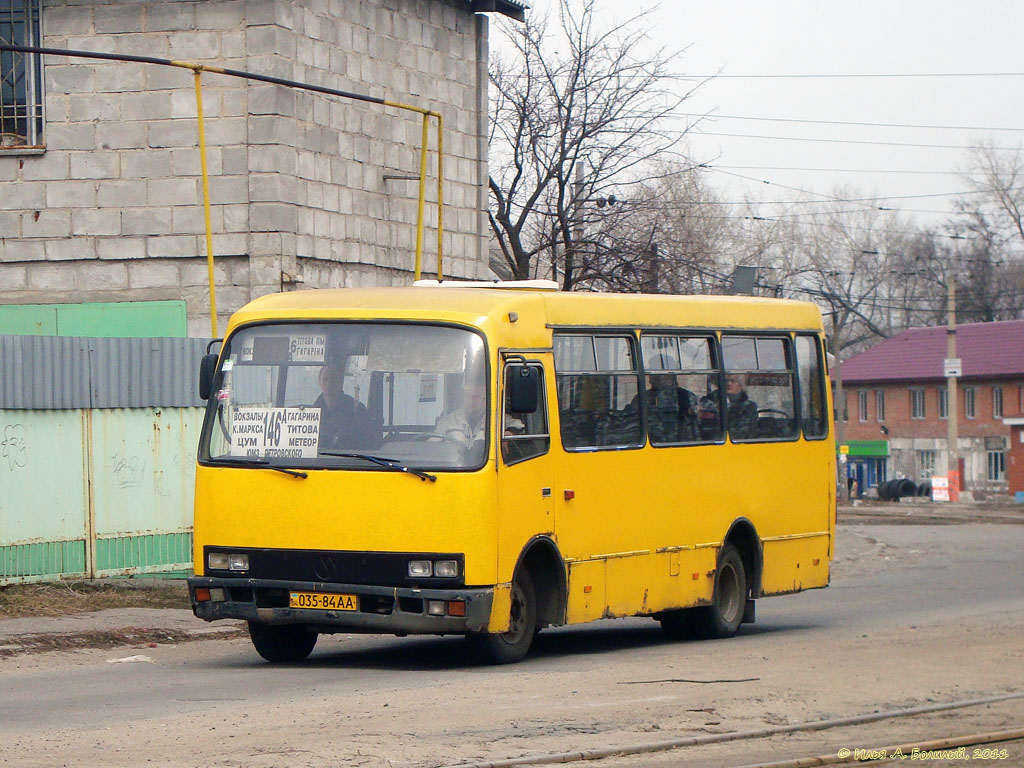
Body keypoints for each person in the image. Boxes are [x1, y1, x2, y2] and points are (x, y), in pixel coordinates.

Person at [314, 361, 380, 451]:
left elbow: (368, 445)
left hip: (350, 462)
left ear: (341, 382)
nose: (329, 383)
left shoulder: (357, 410)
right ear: (320, 382)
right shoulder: (312, 413)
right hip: (317, 463)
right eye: (325, 379)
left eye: (333, 379)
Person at [632, 358, 698, 443]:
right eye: (656, 373)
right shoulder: (641, 399)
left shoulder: (687, 397)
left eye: (668, 374)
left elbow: (696, 429)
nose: (665, 378)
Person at [434, 382, 488, 460]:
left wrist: (509, 432)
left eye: (475, 397)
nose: (469, 400)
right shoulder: (447, 421)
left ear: (486, 400)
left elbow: (511, 427)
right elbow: (432, 449)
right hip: (452, 469)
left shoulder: (495, 420)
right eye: (467, 396)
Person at [703, 373, 758, 439]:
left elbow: (744, 431)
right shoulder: (710, 401)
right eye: (726, 381)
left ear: (741, 385)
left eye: (733, 381)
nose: (728, 383)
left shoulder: (749, 407)